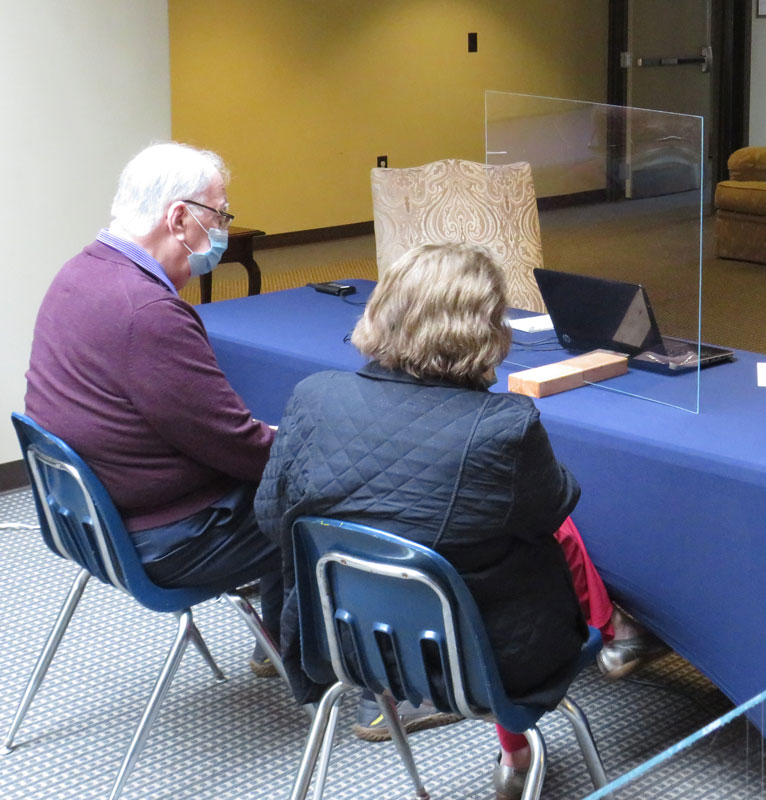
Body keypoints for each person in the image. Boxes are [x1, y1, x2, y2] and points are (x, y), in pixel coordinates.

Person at [254, 242, 658, 799]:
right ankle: (607, 641)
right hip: (484, 664)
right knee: (526, 547)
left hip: (344, 647)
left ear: (382, 308)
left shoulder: (312, 396)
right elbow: (557, 504)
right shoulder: (504, 426)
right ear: (488, 330)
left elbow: (270, 519)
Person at [24, 142, 282, 670]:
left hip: (88, 522)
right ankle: (374, 681)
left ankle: (278, 640)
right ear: (179, 218)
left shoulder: (78, 273)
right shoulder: (147, 310)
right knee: (333, 490)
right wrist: (307, 446)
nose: (223, 230)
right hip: (164, 538)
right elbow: (238, 447)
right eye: (220, 214)